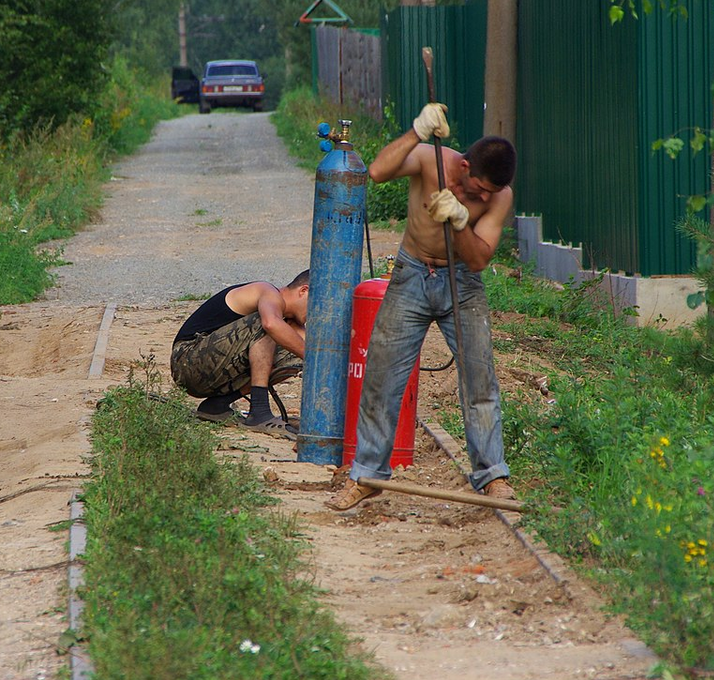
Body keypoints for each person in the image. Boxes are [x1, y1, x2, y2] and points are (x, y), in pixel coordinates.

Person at [327, 103, 518, 510]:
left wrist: (460, 220)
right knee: (382, 378)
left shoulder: (499, 197)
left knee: (479, 380)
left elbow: (479, 259)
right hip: (411, 275)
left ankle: (492, 476)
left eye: (490, 194)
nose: (483, 196)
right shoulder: (433, 161)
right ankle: (367, 476)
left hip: (462, 285)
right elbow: (376, 172)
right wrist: (417, 130)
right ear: (465, 165)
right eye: (479, 188)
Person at [171, 270, 309, 438]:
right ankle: (260, 412)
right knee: (269, 323)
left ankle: (217, 405)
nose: (315, 314)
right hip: (187, 361)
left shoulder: (289, 320)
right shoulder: (267, 292)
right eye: (317, 305)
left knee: (297, 352)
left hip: (214, 376)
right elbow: (270, 324)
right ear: (303, 291)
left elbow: (316, 352)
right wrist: (313, 359)